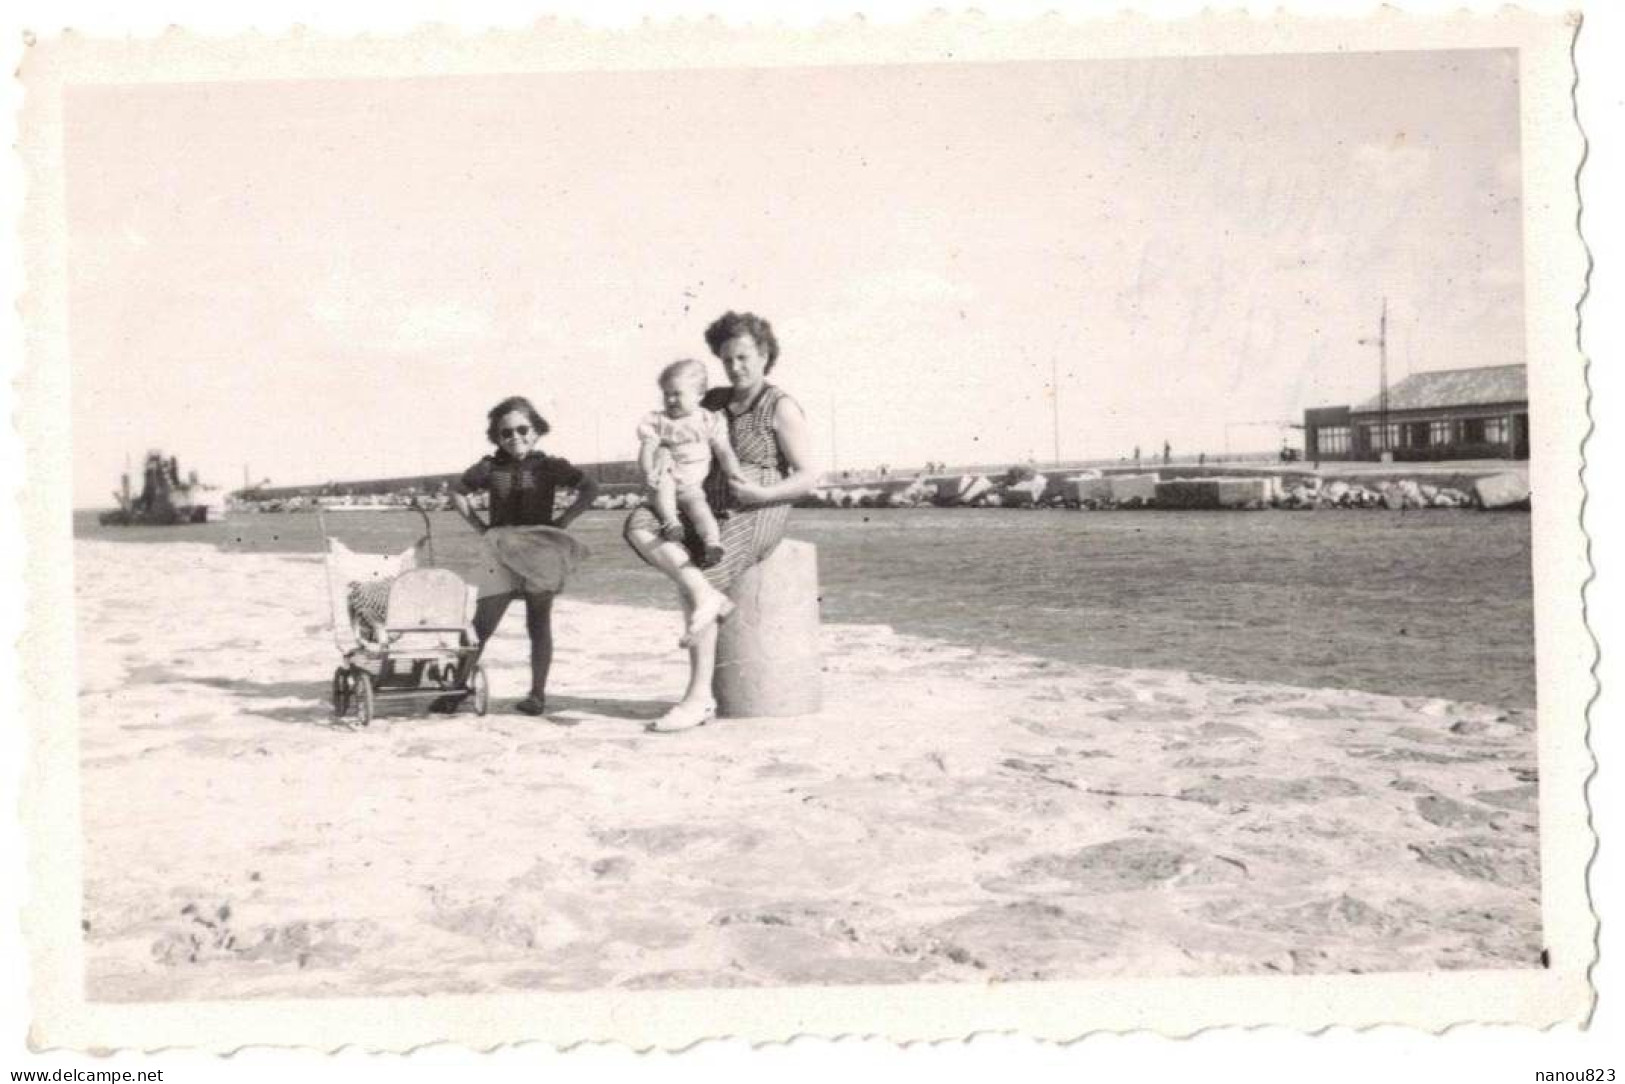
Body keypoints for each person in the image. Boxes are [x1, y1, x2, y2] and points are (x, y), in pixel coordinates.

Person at [624, 311, 817, 733]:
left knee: (711, 567)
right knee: (638, 521)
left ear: (765, 355)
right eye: (727, 359)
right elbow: (670, 432)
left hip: (758, 504)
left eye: (744, 357)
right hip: (704, 496)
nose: (735, 367)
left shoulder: (779, 405)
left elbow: (808, 476)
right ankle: (702, 594)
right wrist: (657, 463)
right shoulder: (711, 401)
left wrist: (763, 494)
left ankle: (698, 697)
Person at [448, 396, 598, 716]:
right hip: (499, 548)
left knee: (538, 625)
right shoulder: (489, 467)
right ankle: (457, 688)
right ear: (496, 437)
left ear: (536, 431)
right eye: (506, 433)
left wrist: (564, 522)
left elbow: (590, 489)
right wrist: (479, 526)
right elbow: (457, 491)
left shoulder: (550, 466)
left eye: (522, 429)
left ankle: (536, 695)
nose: (515, 437)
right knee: (481, 626)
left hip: (540, 551)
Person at [637, 358, 744, 568]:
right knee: (664, 485)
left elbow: (723, 450)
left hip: (692, 486)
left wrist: (734, 473)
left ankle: (712, 543)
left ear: (699, 395)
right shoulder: (658, 420)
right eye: (666, 394)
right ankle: (672, 523)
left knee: (701, 510)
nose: (670, 400)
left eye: (677, 394)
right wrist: (648, 471)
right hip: (665, 477)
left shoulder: (708, 420)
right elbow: (647, 448)